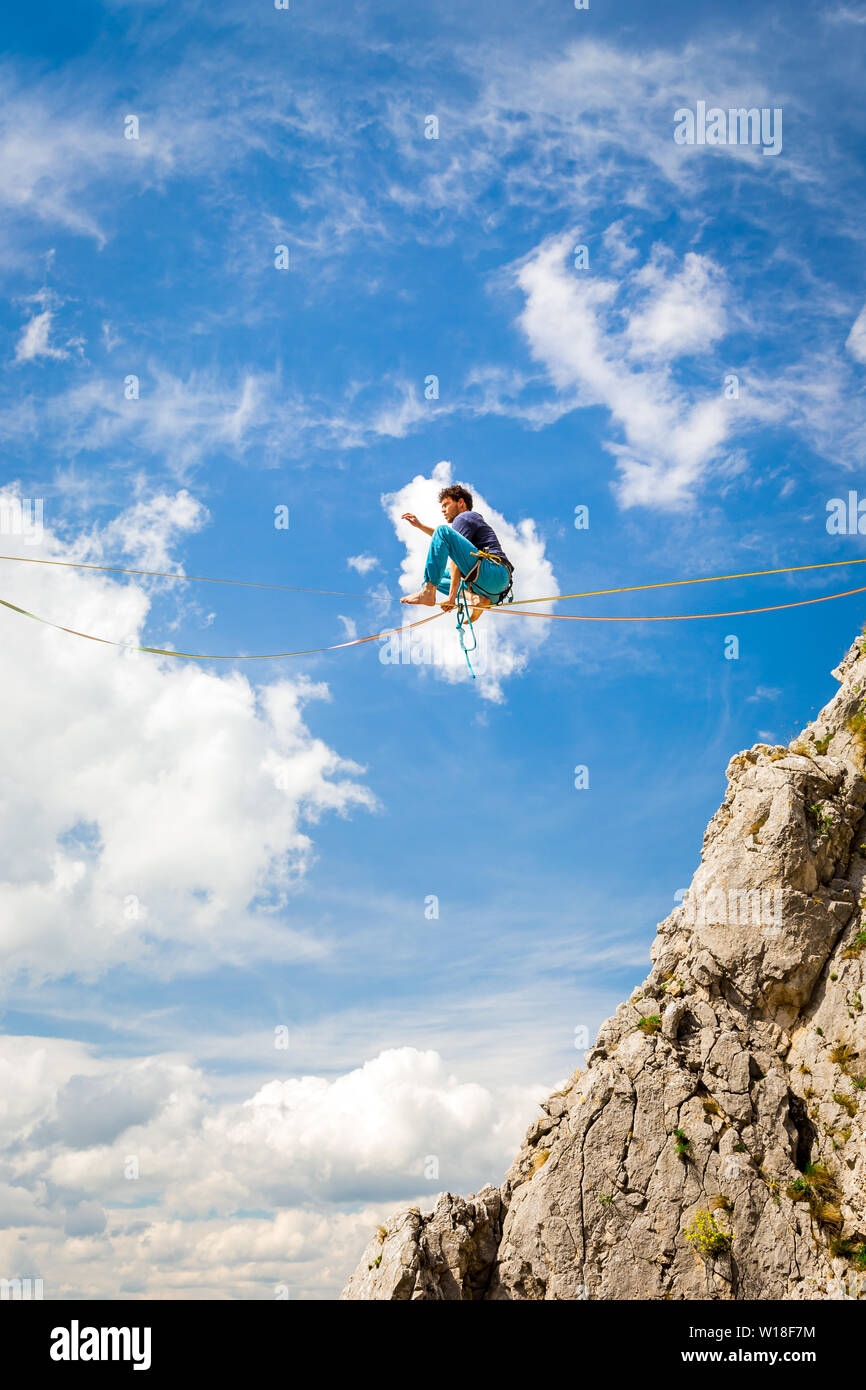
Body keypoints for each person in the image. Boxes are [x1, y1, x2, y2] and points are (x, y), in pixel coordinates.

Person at [400, 484, 513, 621]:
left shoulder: (464, 517)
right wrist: (421, 526)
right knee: (439, 578)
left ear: (461, 503)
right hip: (494, 591)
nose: (443, 510)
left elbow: (450, 547)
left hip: (493, 571)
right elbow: (447, 540)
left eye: (446, 504)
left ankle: (428, 591)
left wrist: (452, 598)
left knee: (442, 532)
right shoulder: (467, 521)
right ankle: (477, 599)